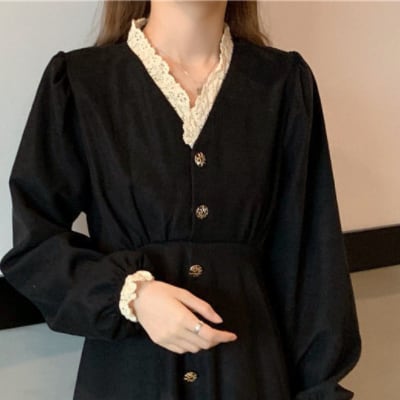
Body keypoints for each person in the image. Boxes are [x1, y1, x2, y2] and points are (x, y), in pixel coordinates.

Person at [0, 1, 362, 399]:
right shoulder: (81, 82)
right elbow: (35, 245)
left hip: (251, 377)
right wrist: (131, 295)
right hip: (129, 379)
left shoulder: (282, 84)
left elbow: (313, 264)